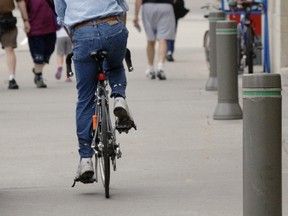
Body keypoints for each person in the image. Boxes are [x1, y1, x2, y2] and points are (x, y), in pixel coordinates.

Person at [55, 0, 135, 184]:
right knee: (115, 66)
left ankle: (85, 160)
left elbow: (62, 17)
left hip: (82, 33)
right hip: (113, 27)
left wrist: (78, 39)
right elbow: (122, 7)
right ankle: (119, 98)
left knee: (85, 98)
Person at [133, 0, 176, 80]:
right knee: (163, 39)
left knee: (150, 40)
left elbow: (138, 1)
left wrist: (136, 15)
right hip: (166, 6)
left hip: (148, 6)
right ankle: (160, 67)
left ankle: (150, 69)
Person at [25, 0, 58, 88]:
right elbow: (23, 7)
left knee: (49, 50)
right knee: (38, 53)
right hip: (35, 28)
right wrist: (25, 21)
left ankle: (37, 69)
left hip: (50, 26)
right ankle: (39, 76)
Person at [0, 0, 30, 89]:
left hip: (7, 20)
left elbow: (20, 2)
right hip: (7, 20)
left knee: (9, 48)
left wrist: (25, 20)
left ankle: (11, 78)